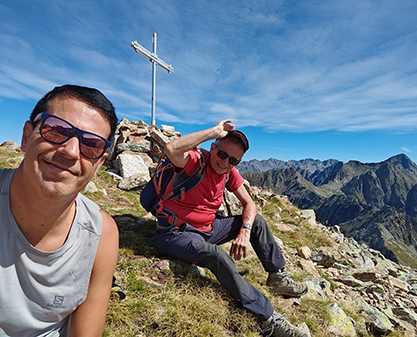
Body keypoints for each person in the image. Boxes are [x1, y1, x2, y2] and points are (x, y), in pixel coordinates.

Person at [149, 120, 308, 336]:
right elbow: (171, 149)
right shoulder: (195, 161)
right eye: (222, 154)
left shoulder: (228, 172)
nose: (225, 162)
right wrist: (214, 132)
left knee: (256, 221)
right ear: (213, 147)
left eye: (233, 160)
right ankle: (269, 319)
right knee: (217, 256)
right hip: (174, 234)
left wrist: (245, 231)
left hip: (207, 229)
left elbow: (249, 204)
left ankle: (278, 277)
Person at [0, 84, 119, 337]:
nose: (71, 151)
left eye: (92, 144)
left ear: (99, 164)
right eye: (56, 130)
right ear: (26, 136)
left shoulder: (102, 235)